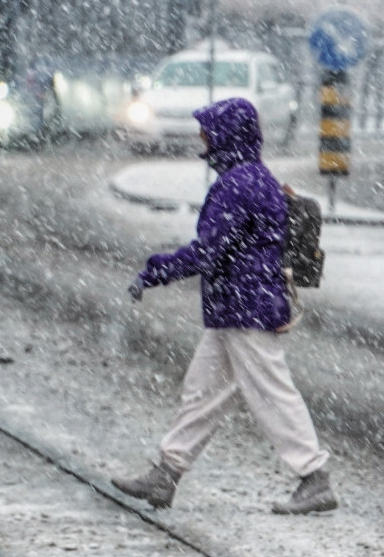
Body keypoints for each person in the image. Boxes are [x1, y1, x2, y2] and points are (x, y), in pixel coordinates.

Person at [113, 97, 337, 515]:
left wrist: (157, 270)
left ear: (225, 136)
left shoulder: (238, 184)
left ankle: (313, 476)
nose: (202, 142)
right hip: (237, 306)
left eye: (207, 134)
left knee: (271, 392)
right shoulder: (252, 177)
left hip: (246, 306)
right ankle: (167, 472)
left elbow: (210, 251)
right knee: (203, 392)